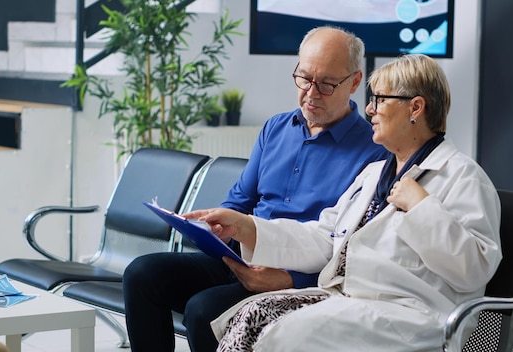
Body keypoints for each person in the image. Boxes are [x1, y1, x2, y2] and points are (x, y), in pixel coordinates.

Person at [185, 54, 503, 352]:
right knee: (248, 317)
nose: (369, 109)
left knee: (288, 335)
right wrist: (248, 227)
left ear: (415, 108)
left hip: (412, 314)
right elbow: (325, 237)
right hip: (351, 300)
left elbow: (474, 269)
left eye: (379, 99)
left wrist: (422, 208)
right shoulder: (375, 173)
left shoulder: (462, 176)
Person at [123, 26, 389, 352]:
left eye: (326, 84)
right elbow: (241, 200)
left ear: (355, 82)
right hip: (239, 257)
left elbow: (354, 252)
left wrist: (292, 280)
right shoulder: (275, 128)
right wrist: (212, 227)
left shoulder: (375, 152)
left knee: (204, 311)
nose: (311, 92)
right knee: (141, 274)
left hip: (297, 278)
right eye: (304, 78)